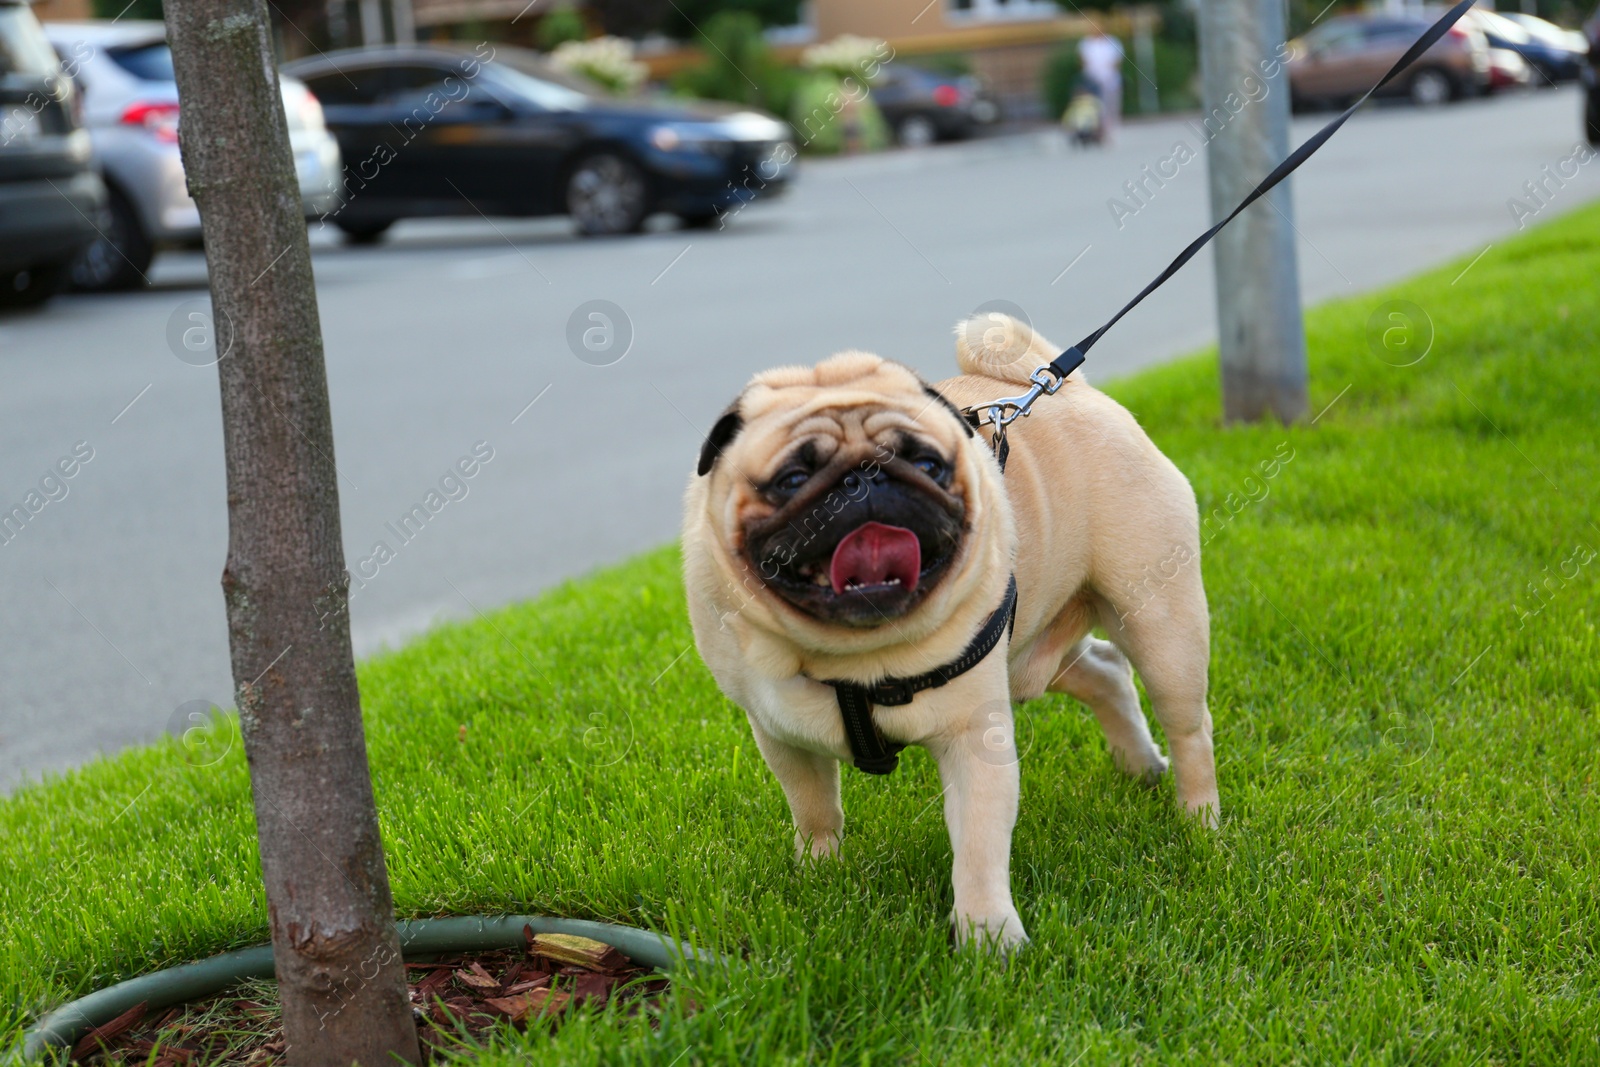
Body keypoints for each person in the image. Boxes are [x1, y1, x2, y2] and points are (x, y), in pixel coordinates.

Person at [1078, 30, 1123, 142]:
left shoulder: (1112, 41)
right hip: (1093, 80)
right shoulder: (1086, 43)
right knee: (1095, 107)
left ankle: (1110, 130)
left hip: (1110, 79)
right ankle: (1097, 131)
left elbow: (1118, 59)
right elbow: (1083, 60)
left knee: (1111, 105)